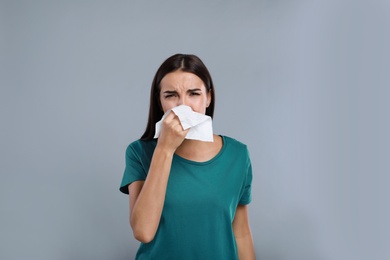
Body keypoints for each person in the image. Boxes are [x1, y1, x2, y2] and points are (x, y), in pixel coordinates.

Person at [120, 54, 255, 259]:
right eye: (171, 95)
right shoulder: (139, 152)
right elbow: (143, 231)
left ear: (208, 98)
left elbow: (241, 233)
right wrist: (164, 149)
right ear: (160, 101)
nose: (183, 106)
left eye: (193, 94)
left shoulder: (237, 155)